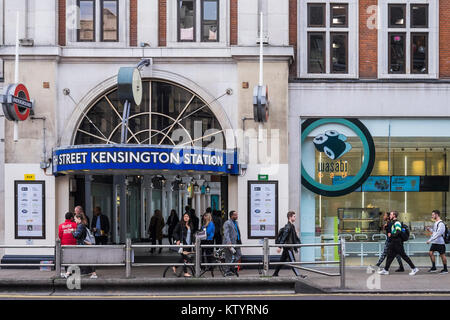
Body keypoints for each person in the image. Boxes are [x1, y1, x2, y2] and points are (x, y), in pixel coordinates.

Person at [378, 211, 419, 276]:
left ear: (394, 216)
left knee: (404, 256)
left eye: (391, 214)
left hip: (397, 242)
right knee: (390, 256)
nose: (390, 216)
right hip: (394, 242)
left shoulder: (397, 222)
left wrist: (391, 235)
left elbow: (398, 231)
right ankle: (386, 270)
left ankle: (414, 268)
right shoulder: (393, 222)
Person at [272, 211, 306, 278]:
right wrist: (279, 247)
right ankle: (298, 276)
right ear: (290, 217)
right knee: (293, 262)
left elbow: (291, 236)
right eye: (294, 216)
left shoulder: (291, 226)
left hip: (287, 247)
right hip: (288, 248)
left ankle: (275, 273)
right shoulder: (288, 226)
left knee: (281, 261)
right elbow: (284, 236)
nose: (295, 218)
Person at [72, 213, 97, 279]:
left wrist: (73, 232)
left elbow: (77, 236)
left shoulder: (80, 226)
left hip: (82, 245)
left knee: (85, 259)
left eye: (75, 219)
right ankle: (89, 272)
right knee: (84, 258)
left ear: (79, 218)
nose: (75, 220)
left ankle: (93, 273)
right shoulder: (83, 225)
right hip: (84, 245)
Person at [173, 213, 195, 277]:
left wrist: (194, 241)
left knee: (184, 258)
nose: (186, 217)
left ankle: (175, 266)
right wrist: (177, 239)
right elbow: (174, 232)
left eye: (187, 216)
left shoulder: (190, 225)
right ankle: (185, 272)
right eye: (184, 216)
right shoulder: (180, 224)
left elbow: (191, 235)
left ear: (189, 217)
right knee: (185, 258)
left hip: (188, 244)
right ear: (183, 217)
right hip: (182, 244)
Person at [426, 210, 448, 274]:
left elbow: (438, 234)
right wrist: (430, 229)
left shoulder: (441, 224)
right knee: (430, 253)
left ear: (437, 215)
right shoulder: (436, 223)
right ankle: (434, 267)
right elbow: (435, 232)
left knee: (442, 255)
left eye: (433, 215)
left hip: (440, 242)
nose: (432, 216)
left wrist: (430, 240)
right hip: (435, 242)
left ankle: (445, 269)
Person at [222, 210, 242, 276]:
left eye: (237, 215)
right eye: (235, 215)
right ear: (231, 216)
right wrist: (229, 242)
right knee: (228, 257)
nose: (237, 216)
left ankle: (231, 268)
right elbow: (226, 234)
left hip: (237, 242)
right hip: (229, 243)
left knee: (239, 255)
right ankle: (227, 271)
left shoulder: (236, 222)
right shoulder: (227, 223)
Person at [58, 212, 77, 278]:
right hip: (73, 245)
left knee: (66, 259)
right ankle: (72, 271)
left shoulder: (61, 226)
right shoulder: (75, 225)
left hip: (64, 245)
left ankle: (67, 272)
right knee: (73, 258)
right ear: (71, 218)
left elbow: (60, 236)